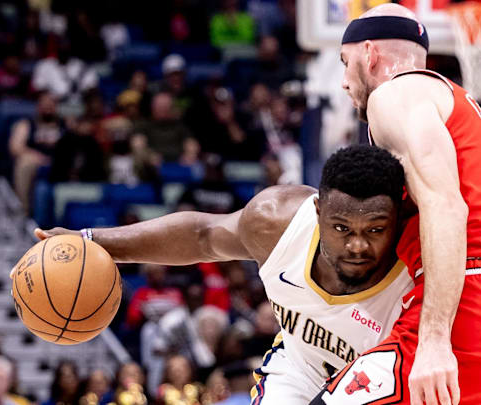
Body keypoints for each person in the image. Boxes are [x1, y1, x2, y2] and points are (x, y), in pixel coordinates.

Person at [313, 4, 481, 405]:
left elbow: (446, 205)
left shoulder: (394, 95)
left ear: (369, 54)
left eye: (344, 62)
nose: (345, 83)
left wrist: (435, 339)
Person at [25, 145, 413, 404]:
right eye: (342, 228)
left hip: (383, 385)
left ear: (396, 224)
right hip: (301, 366)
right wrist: (91, 240)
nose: (358, 245)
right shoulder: (278, 222)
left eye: (375, 230)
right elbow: (202, 235)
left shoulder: (420, 276)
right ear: (316, 213)